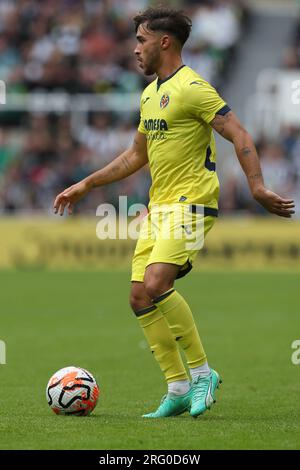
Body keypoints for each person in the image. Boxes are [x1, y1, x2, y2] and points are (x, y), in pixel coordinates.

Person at [53, 7, 295, 418]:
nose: (135, 50)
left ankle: (203, 374)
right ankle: (178, 386)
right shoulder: (149, 95)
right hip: (159, 207)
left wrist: (257, 186)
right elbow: (135, 156)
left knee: (156, 281)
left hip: (194, 202)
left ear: (165, 42)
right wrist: (88, 184)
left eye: (141, 41)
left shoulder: (194, 87)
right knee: (138, 297)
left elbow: (239, 133)